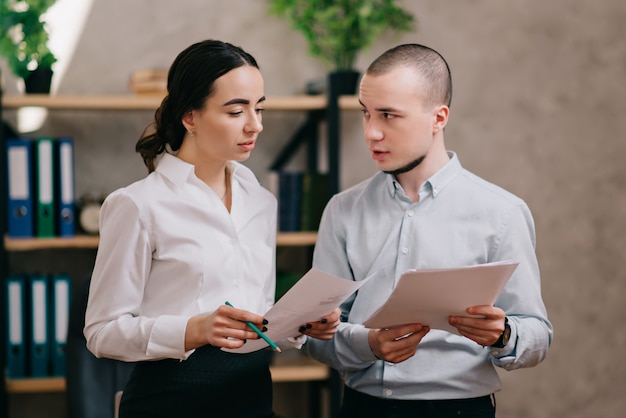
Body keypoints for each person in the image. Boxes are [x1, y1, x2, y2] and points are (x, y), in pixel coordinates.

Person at [83, 39, 340, 418]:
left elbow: (257, 315)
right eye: (236, 111)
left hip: (252, 396)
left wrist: (299, 324)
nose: (256, 124)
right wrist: (194, 330)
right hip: (170, 401)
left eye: (259, 108)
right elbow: (102, 333)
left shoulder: (261, 201)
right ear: (190, 117)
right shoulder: (137, 205)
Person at [301, 43, 553, 418]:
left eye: (388, 115)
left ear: (439, 118)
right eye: (365, 114)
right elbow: (313, 337)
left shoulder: (502, 213)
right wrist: (368, 344)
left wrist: (503, 334)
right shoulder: (343, 210)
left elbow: (537, 334)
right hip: (360, 408)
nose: (371, 132)